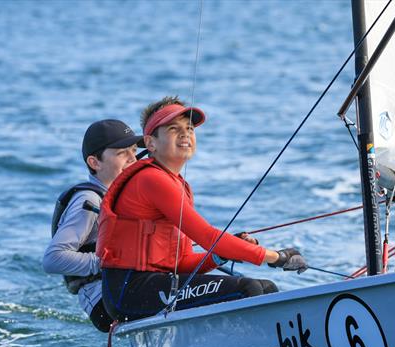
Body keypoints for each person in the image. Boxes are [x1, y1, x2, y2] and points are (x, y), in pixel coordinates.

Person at [97, 96, 307, 322]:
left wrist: (218, 256)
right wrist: (276, 257)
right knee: (249, 288)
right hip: (128, 291)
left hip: (152, 284)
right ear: (151, 143)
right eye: (173, 128)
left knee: (266, 288)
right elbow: (207, 236)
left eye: (189, 128)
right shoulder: (151, 180)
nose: (185, 134)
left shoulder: (178, 184)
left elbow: (183, 262)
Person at [43, 119, 144, 332]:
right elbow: (53, 259)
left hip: (124, 287)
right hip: (104, 302)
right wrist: (107, 262)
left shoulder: (121, 197)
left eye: (134, 151)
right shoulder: (88, 201)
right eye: (121, 153)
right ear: (94, 162)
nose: (133, 159)